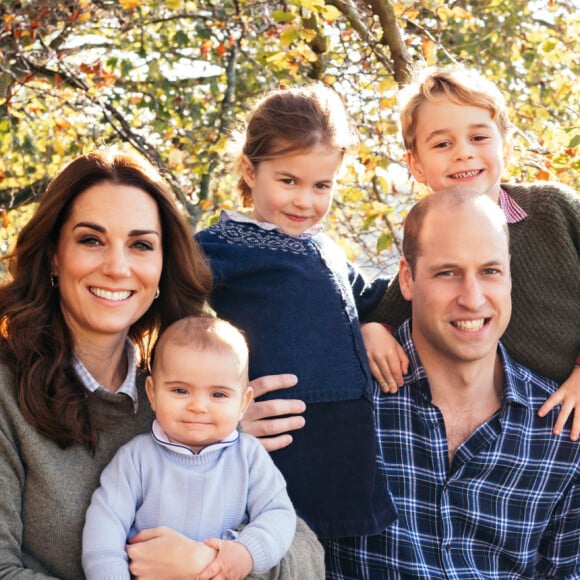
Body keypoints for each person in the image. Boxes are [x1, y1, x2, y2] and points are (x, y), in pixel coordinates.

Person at [0, 146, 324, 579]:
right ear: (55, 256)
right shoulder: (7, 395)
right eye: (91, 240)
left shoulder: (189, 393)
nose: (118, 267)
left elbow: (308, 559)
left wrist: (209, 565)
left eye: (141, 245)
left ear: (161, 267)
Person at [325, 188, 580, 578]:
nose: (473, 298)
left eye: (490, 271)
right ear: (408, 279)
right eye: (448, 273)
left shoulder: (559, 433)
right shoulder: (344, 400)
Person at [195, 84, 401, 540]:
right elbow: (166, 310)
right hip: (282, 445)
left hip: (347, 452)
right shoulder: (223, 245)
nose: (305, 201)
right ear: (250, 171)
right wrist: (212, 402)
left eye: (321, 186)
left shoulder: (325, 247)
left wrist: (376, 323)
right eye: (288, 181)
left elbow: (372, 297)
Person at [362, 65, 580, 439]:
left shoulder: (555, 211)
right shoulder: (431, 248)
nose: (463, 154)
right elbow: (392, 312)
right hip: (533, 434)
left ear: (505, 146)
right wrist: (372, 331)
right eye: (443, 144)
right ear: (415, 163)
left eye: (479, 137)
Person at [82, 316, 296, 580]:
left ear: (244, 402)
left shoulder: (249, 457)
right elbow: (104, 530)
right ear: (152, 393)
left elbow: (278, 514)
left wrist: (246, 552)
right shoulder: (135, 459)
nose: (198, 406)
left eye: (218, 394)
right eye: (181, 390)